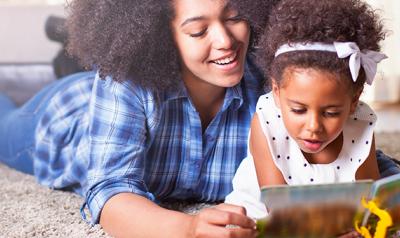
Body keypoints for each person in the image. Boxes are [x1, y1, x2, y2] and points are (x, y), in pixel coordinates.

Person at [0, 0, 398, 237]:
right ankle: (62, 60)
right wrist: (188, 229)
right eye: (197, 30)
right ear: (163, 34)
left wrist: (370, 208)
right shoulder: (125, 83)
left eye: (233, 16)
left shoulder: (279, 87)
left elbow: (357, 158)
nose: (225, 41)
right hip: (65, 117)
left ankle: (62, 52)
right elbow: (108, 189)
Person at [225, 0, 397, 228]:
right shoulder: (266, 121)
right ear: (276, 91)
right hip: (272, 215)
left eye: (331, 112)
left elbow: (370, 201)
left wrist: (359, 225)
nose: (314, 126)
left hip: (340, 213)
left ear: (354, 101)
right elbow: (279, 211)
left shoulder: (361, 124)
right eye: (298, 110)